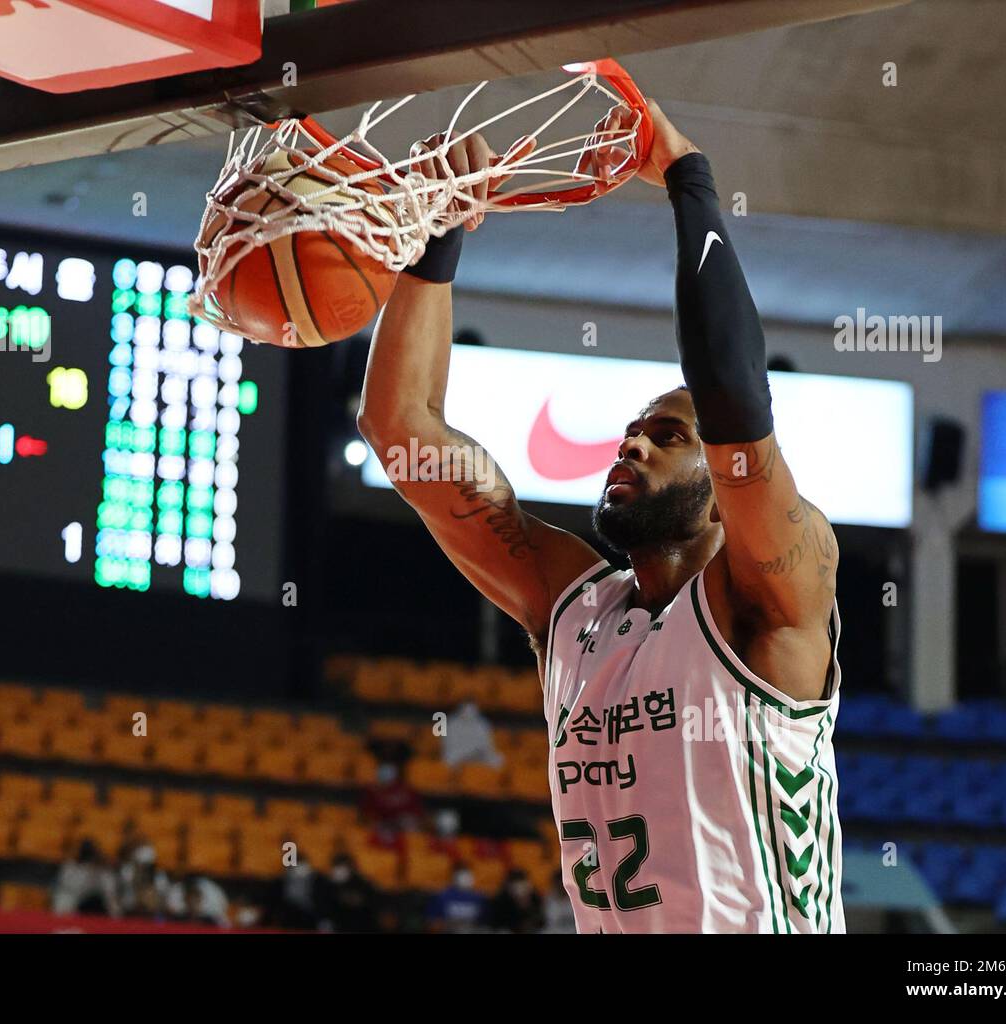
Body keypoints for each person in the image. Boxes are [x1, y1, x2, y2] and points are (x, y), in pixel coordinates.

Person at [357, 97, 844, 934]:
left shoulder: (772, 593)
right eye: (627, 434)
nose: (632, 447)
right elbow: (400, 430)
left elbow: (732, 393)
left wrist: (690, 181)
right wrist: (438, 230)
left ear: (723, 482)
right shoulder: (573, 608)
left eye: (667, 436)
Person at [52, 838, 120, 917]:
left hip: (94, 907)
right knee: (63, 899)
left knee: (112, 905)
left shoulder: (103, 872)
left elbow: (111, 895)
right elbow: (65, 887)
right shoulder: (69, 866)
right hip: (70, 901)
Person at [313, 854, 380, 933]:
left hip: (360, 925)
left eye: (343, 866)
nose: (340, 870)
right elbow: (322, 907)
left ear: (351, 868)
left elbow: (371, 903)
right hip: (336, 925)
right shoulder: (326, 884)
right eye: (337, 866)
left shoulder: (362, 883)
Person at [424, 863, 486, 934]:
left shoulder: (479, 898)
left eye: (469, 875)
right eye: (462, 875)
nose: (466, 878)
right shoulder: (441, 896)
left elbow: (484, 924)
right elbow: (432, 924)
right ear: (454, 876)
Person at [441, 701, 503, 769]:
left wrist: (479, 751)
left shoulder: (482, 724)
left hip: (478, 755)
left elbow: (488, 746)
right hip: (457, 755)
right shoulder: (451, 724)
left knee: (498, 759)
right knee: (450, 760)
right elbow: (448, 746)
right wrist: (468, 751)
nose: (469, 713)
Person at [485, 868, 545, 934]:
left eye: (524, 887)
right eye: (516, 888)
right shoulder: (498, 903)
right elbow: (495, 926)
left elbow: (540, 923)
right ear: (508, 888)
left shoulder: (536, 899)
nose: (521, 892)